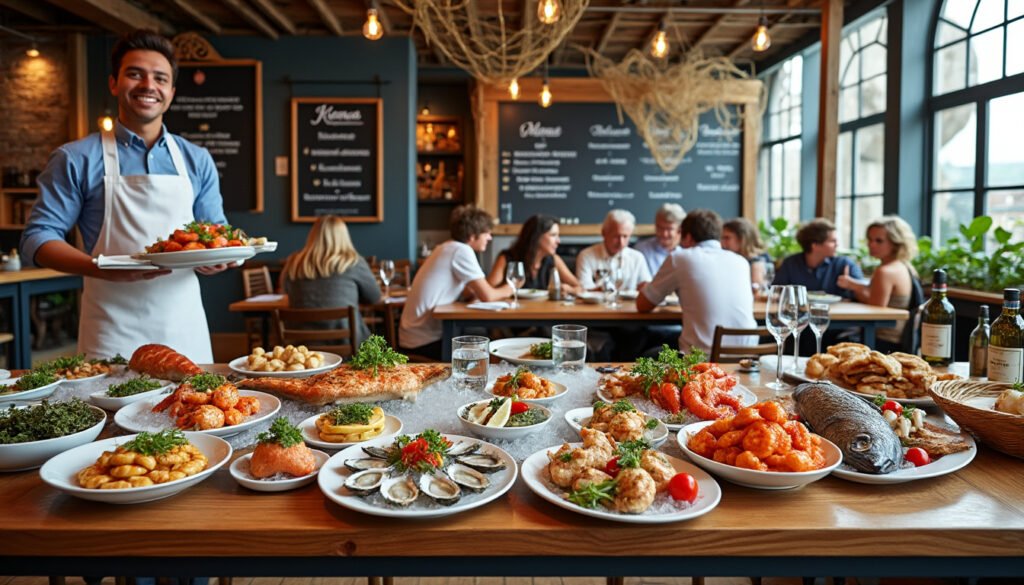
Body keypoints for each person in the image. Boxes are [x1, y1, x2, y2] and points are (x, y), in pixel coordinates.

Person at [20, 29, 231, 363]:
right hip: (111, 331)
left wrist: (219, 258)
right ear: (114, 84)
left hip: (184, 329)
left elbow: (216, 231)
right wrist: (98, 267)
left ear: (171, 92)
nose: (149, 85)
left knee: (194, 413)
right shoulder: (76, 158)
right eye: (135, 74)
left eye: (160, 78)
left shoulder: (197, 159)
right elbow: (37, 240)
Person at [399, 205, 512, 359]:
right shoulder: (461, 251)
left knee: (482, 335)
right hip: (423, 341)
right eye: (487, 233)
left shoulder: (446, 247)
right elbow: (488, 296)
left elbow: (469, 292)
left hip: (414, 335)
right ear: (473, 235)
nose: (490, 237)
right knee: (491, 347)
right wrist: (513, 286)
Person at [638, 209, 756, 354]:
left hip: (702, 361)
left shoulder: (680, 258)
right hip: (746, 359)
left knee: (648, 355)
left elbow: (643, 305)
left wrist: (646, 289)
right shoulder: (741, 261)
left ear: (687, 236)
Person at [280, 215, 381, 347]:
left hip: (302, 350)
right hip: (348, 348)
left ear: (313, 236)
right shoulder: (354, 262)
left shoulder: (294, 262)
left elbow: (284, 291)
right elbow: (375, 298)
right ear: (344, 237)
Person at [837, 216, 921, 352]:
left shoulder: (885, 271)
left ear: (895, 243)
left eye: (879, 241)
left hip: (882, 344)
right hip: (902, 343)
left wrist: (854, 288)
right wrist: (854, 285)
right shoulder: (903, 266)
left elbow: (875, 309)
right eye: (869, 239)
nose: (871, 244)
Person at [487, 214, 581, 296]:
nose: (558, 241)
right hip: (514, 313)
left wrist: (569, 289)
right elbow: (487, 291)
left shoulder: (554, 259)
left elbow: (580, 287)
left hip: (545, 313)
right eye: (553, 235)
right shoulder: (507, 258)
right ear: (536, 237)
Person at [772, 218, 864, 298]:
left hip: (840, 316)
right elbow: (776, 292)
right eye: (832, 241)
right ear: (815, 245)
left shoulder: (845, 265)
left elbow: (866, 292)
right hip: (798, 315)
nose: (837, 245)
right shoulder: (790, 264)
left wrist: (851, 284)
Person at [575, 209, 652, 291]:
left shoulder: (637, 258)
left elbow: (647, 289)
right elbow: (584, 290)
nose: (621, 243)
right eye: (616, 236)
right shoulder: (586, 256)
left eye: (625, 236)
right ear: (604, 233)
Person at [633, 203, 685, 275]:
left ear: (679, 230)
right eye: (660, 228)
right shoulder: (641, 250)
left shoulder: (687, 252)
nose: (664, 234)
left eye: (669, 229)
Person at [722, 217, 772, 291]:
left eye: (727, 238)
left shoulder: (759, 260)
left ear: (742, 238)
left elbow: (759, 290)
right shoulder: (727, 258)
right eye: (721, 238)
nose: (722, 242)